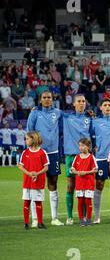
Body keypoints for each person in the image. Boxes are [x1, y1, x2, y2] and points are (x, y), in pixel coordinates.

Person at [26, 90, 64, 226]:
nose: (47, 99)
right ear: (40, 99)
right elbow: (29, 132)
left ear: (52, 99)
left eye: (49, 97)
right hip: (38, 153)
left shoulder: (58, 113)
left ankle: (55, 217)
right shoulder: (35, 113)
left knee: (53, 182)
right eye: (44, 97)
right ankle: (35, 219)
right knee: (35, 184)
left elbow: (68, 121)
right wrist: (30, 151)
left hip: (53, 153)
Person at [62, 94, 92, 225]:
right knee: (70, 186)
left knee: (85, 187)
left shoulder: (89, 118)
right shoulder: (66, 117)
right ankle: (69, 216)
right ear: (73, 104)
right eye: (79, 101)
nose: (81, 103)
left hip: (86, 156)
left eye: (83, 101)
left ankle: (84, 217)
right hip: (71, 156)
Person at [90, 99, 110, 224]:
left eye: (109, 105)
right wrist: (93, 147)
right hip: (101, 157)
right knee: (99, 185)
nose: (107, 107)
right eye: (105, 105)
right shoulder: (95, 122)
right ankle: (97, 216)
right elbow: (90, 135)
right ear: (101, 108)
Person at [18, 131, 49, 230]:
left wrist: (37, 173)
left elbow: (46, 167)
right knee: (26, 201)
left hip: (38, 182)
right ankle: (26, 223)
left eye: (27, 139)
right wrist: (29, 174)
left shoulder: (42, 152)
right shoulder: (25, 152)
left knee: (38, 202)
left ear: (33, 139)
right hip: (27, 182)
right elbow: (20, 166)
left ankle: (40, 223)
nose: (25, 140)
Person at [70, 138, 98, 226]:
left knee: (88, 201)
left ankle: (89, 219)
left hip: (89, 184)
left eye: (83, 145)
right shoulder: (77, 157)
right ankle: (81, 219)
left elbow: (95, 169)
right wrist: (78, 172)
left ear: (88, 147)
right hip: (79, 184)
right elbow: (72, 169)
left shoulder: (91, 157)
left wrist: (85, 172)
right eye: (80, 145)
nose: (81, 147)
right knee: (80, 202)